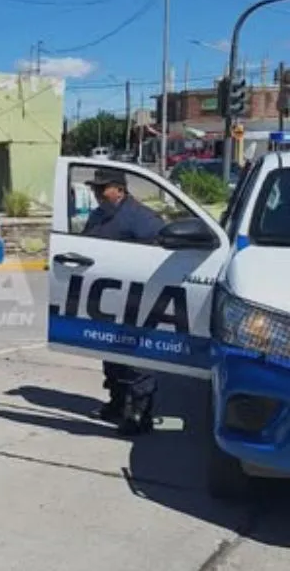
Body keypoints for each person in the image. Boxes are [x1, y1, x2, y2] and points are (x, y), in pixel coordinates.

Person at [81, 168, 164, 436]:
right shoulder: (99, 215)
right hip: (107, 298)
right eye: (95, 189)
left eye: (101, 189)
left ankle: (139, 414)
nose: (97, 194)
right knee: (111, 353)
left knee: (136, 357)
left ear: (119, 189)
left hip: (135, 298)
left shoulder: (141, 218)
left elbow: (161, 249)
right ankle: (117, 404)